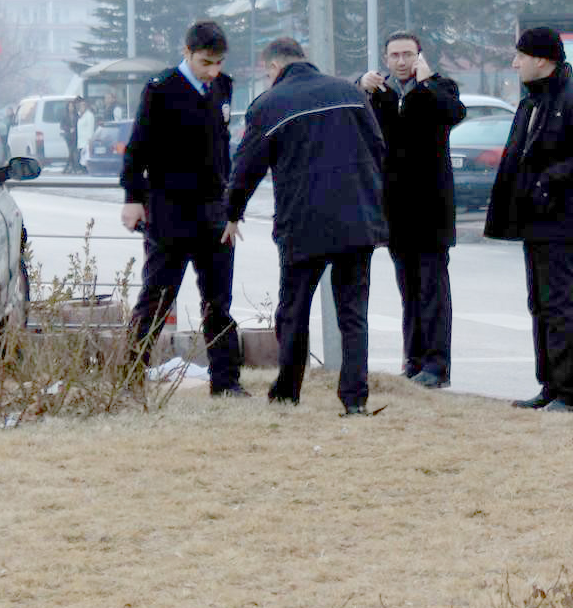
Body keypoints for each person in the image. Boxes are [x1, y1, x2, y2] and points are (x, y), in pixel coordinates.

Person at [226, 36, 388, 415]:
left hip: (303, 223)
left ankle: (288, 391)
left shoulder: (269, 104)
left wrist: (232, 213)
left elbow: (246, 167)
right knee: (353, 313)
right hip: (356, 220)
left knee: (294, 311)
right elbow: (378, 148)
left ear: (273, 67)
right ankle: (355, 399)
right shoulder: (350, 93)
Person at [485, 26, 573, 413]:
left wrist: (549, 180)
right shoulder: (534, 100)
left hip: (562, 219)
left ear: (542, 60)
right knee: (539, 304)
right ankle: (550, 386)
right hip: (535, 218)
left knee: (559, 305)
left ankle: (571, 394)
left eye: (521, 56)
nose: (515, 63)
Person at [122, 22, 250, 397]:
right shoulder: (161, 89)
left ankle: (226, 381)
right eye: (205, 62)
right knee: (156, 299)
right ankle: (129, 379)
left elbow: (223, 148)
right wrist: (133, 198)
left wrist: (231, 207)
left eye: (219, 62)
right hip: (170, 212)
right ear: (187, 52)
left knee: (218, 302)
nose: (212, 71)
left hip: (214, 212)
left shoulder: (223, 86)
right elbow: (137, 149)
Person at [360, 31, 467, 389]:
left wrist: (428, 82)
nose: (402, 61)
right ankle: (414, 360)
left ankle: (437, 365)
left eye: (408, 54)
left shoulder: (439, 89)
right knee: (408, 289)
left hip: (432, 210)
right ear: (386, 59)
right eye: (395, 55)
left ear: (420, 57)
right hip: (396, 211)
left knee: (432, 289)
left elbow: (454, 113)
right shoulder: (380, 94)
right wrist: (360, 85)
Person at [72, 97, 98, 174]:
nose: (81, 107)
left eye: (83, 105)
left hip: (86, 141)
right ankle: (82, 170)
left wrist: (90, 141)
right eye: (80, 106)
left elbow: (91, 129)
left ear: (86, 106)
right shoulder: (80, 116)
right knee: (81, 157)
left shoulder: (89, 115)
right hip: (80, 141)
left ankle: (86, 170)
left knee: (86, 157)